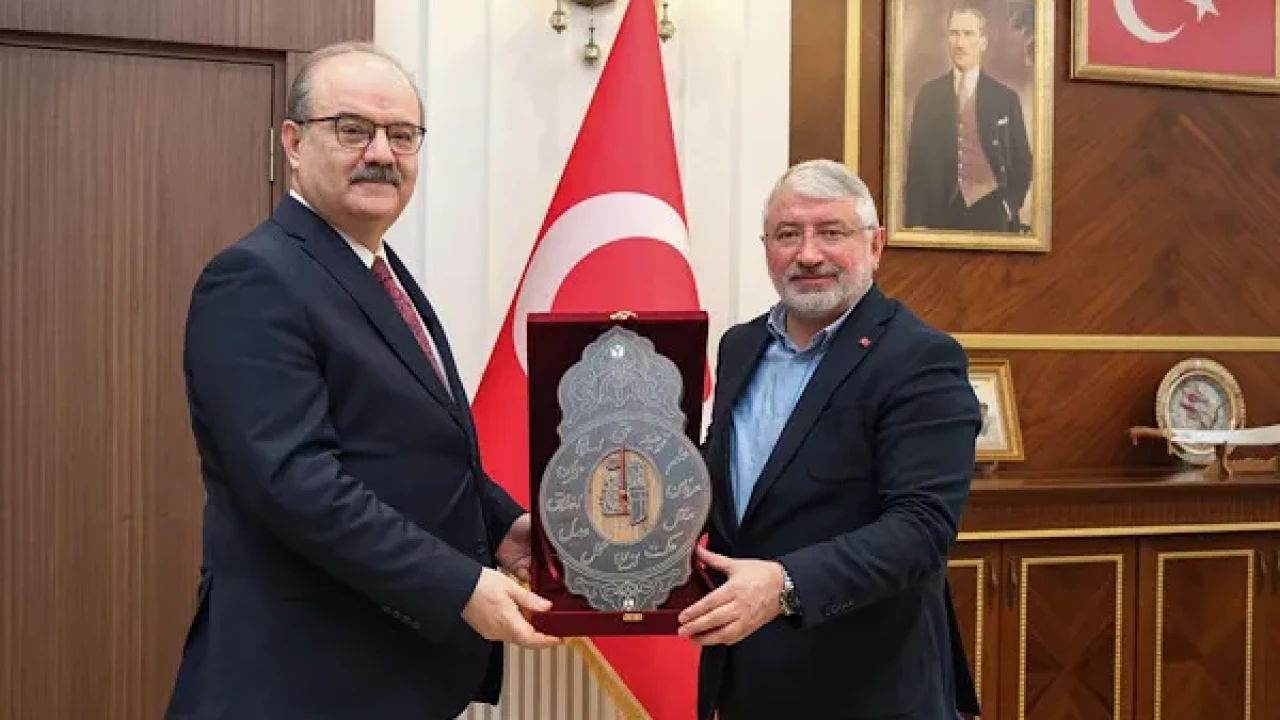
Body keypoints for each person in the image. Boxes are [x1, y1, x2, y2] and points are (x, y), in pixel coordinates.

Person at [164, 42, 558, 720]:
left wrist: (501, 525)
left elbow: (405, 445)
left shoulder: (378, 270)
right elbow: (295, 483)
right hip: (299, 681)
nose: (381, 153)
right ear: (293, 143)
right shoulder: (255, 279)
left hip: (385, 676)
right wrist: (460, 585)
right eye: (353, 130)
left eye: (401, 134)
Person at [677, 159, 983, 720]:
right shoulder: (740, 345)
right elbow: (729, 474)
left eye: (831, 232)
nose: (808, 254)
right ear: (766, 247)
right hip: (745, 679)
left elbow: (921, 528)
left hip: (867, 686)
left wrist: (786, 584)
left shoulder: (920, 358)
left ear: (875, 244)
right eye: (787, 235)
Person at [904, 4, 1031, 233]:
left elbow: (1022, 161)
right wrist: (916, 222)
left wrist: (1008, 207)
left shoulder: (1005, 99)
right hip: (940, 214)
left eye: (968, 34)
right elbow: (916, 165)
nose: (960, 43)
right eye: (954, 34)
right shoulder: (929, 95)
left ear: (983, 42)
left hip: (992, 212)